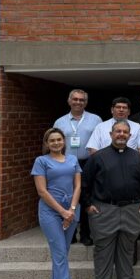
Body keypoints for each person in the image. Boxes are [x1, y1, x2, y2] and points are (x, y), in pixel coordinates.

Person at [82, 120, 140, 279]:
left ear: (130, 135)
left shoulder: (138, 157)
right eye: (118, 131)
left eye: (125, 132)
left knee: (127, 249)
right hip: (104, 210)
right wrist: (87, 205)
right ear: (111, 134)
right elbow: (85, 183)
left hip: (132, 210)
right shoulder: (98, 157)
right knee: (103, 250)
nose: (121, 134)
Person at [31, 128, 82, 279]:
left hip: (72, 210)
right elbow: (42, 191)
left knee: (62, 253)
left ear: (64, 141)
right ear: (47, 143)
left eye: (59, 139)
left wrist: (72, 209)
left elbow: (78, 186)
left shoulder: (73, 159)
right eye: (52, 140)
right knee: (59, 253)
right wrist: (63, 212)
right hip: (51, 211)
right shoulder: (41, 161)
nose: (56, 143)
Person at [53, 89, 101, 246]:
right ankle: (70, 232)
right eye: (75, 99)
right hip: (66, 163)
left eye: (81, 100)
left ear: (85, 102)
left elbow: (101, 141)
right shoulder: (60, 122)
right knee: (67, 198)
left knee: (86, 198)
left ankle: (86, 234)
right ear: (69, 101)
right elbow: (54, 143)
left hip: (88, 162)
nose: (78, 102)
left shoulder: (96, 120)